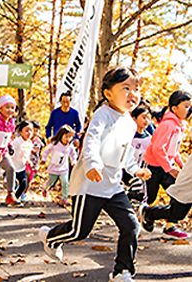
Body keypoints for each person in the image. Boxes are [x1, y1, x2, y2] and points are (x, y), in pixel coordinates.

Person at [39, 67, 152, 282]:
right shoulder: (103, 114)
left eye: (136, 89)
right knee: (79, 231)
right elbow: (91, 140)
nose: (133, 94)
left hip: (114, 185)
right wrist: (92, 164)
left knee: (131, 225)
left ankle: (122, 271)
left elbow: (125, 155)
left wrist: (135, 170)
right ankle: (50, 237)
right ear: (108, 94)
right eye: (126, 88)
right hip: (91, 183)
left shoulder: (129, 122)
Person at [143, 90, 191, 239]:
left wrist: (182, 167)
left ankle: (170, 225)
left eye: (190, 106)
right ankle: (141, 217)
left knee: (177, 195)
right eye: (186, 106)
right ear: (174, 108)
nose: (189, 110)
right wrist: (170, 168)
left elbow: (173, 150)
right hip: (154, 167)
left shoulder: (179, 125)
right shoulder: (168, 125)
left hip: (166, 167)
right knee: (149, 197)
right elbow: (158, 149)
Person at [140, 154, 192, 239]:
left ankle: (169, 228)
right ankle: (149, 213)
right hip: (186, 186)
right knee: (176, 213)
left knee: (177, 213)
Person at [41, 125, 77, 207]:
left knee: (65, 182)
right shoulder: (55, 144)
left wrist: (73, 161)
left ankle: (64, 198)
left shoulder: (69, 146)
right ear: (61, 135)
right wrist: (44, 159)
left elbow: (73, 154)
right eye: (66, 136)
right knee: (51, 181)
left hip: (64, 168)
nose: (68, 139)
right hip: (54, 167)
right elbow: (46, 151)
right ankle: (45, 188)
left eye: (70, 137)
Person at [122, 106, 152, 186]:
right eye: (144, 117)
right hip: (124, 170)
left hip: (139, 170)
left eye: (149, 118)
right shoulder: (127, 135)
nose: (147, 121)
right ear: (134, 118)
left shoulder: (149, 138)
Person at [10, 121, 33, 203]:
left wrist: (28, 161)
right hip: (12, 167)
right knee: (13, 185)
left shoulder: (30, 143)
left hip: (21, 167)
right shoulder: (17, 141)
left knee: (24, 184)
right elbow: (10, 148)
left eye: (31, 130)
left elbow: (27, 154)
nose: (29, 133)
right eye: (26, 130)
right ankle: (11, 197)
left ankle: (15, 199)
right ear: (20, 132)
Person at [26, 120, 45, 186]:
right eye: (33, 131)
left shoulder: (38, 142)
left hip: (33, 162)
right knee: (24, 176)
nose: (34, 133)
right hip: (24, 161)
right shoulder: (25, 139)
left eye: (36, 131)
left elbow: (36, 151)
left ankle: (24, 193)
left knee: (29, 179)